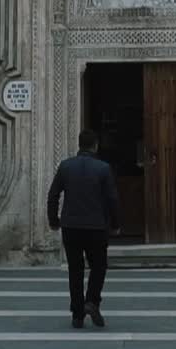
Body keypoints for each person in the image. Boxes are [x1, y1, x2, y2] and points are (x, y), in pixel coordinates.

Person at [47, 129, 120, 328]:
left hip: (71, 227)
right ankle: (92, 301)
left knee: (75, 269)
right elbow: (112, 199)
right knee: (99, 266)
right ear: (95, 145)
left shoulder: (65, 166)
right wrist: (115, 224)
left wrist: (54, 220)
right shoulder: (103, 168)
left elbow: (53, 195)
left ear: (79, 145)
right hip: (96, 227)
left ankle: (77, 314)